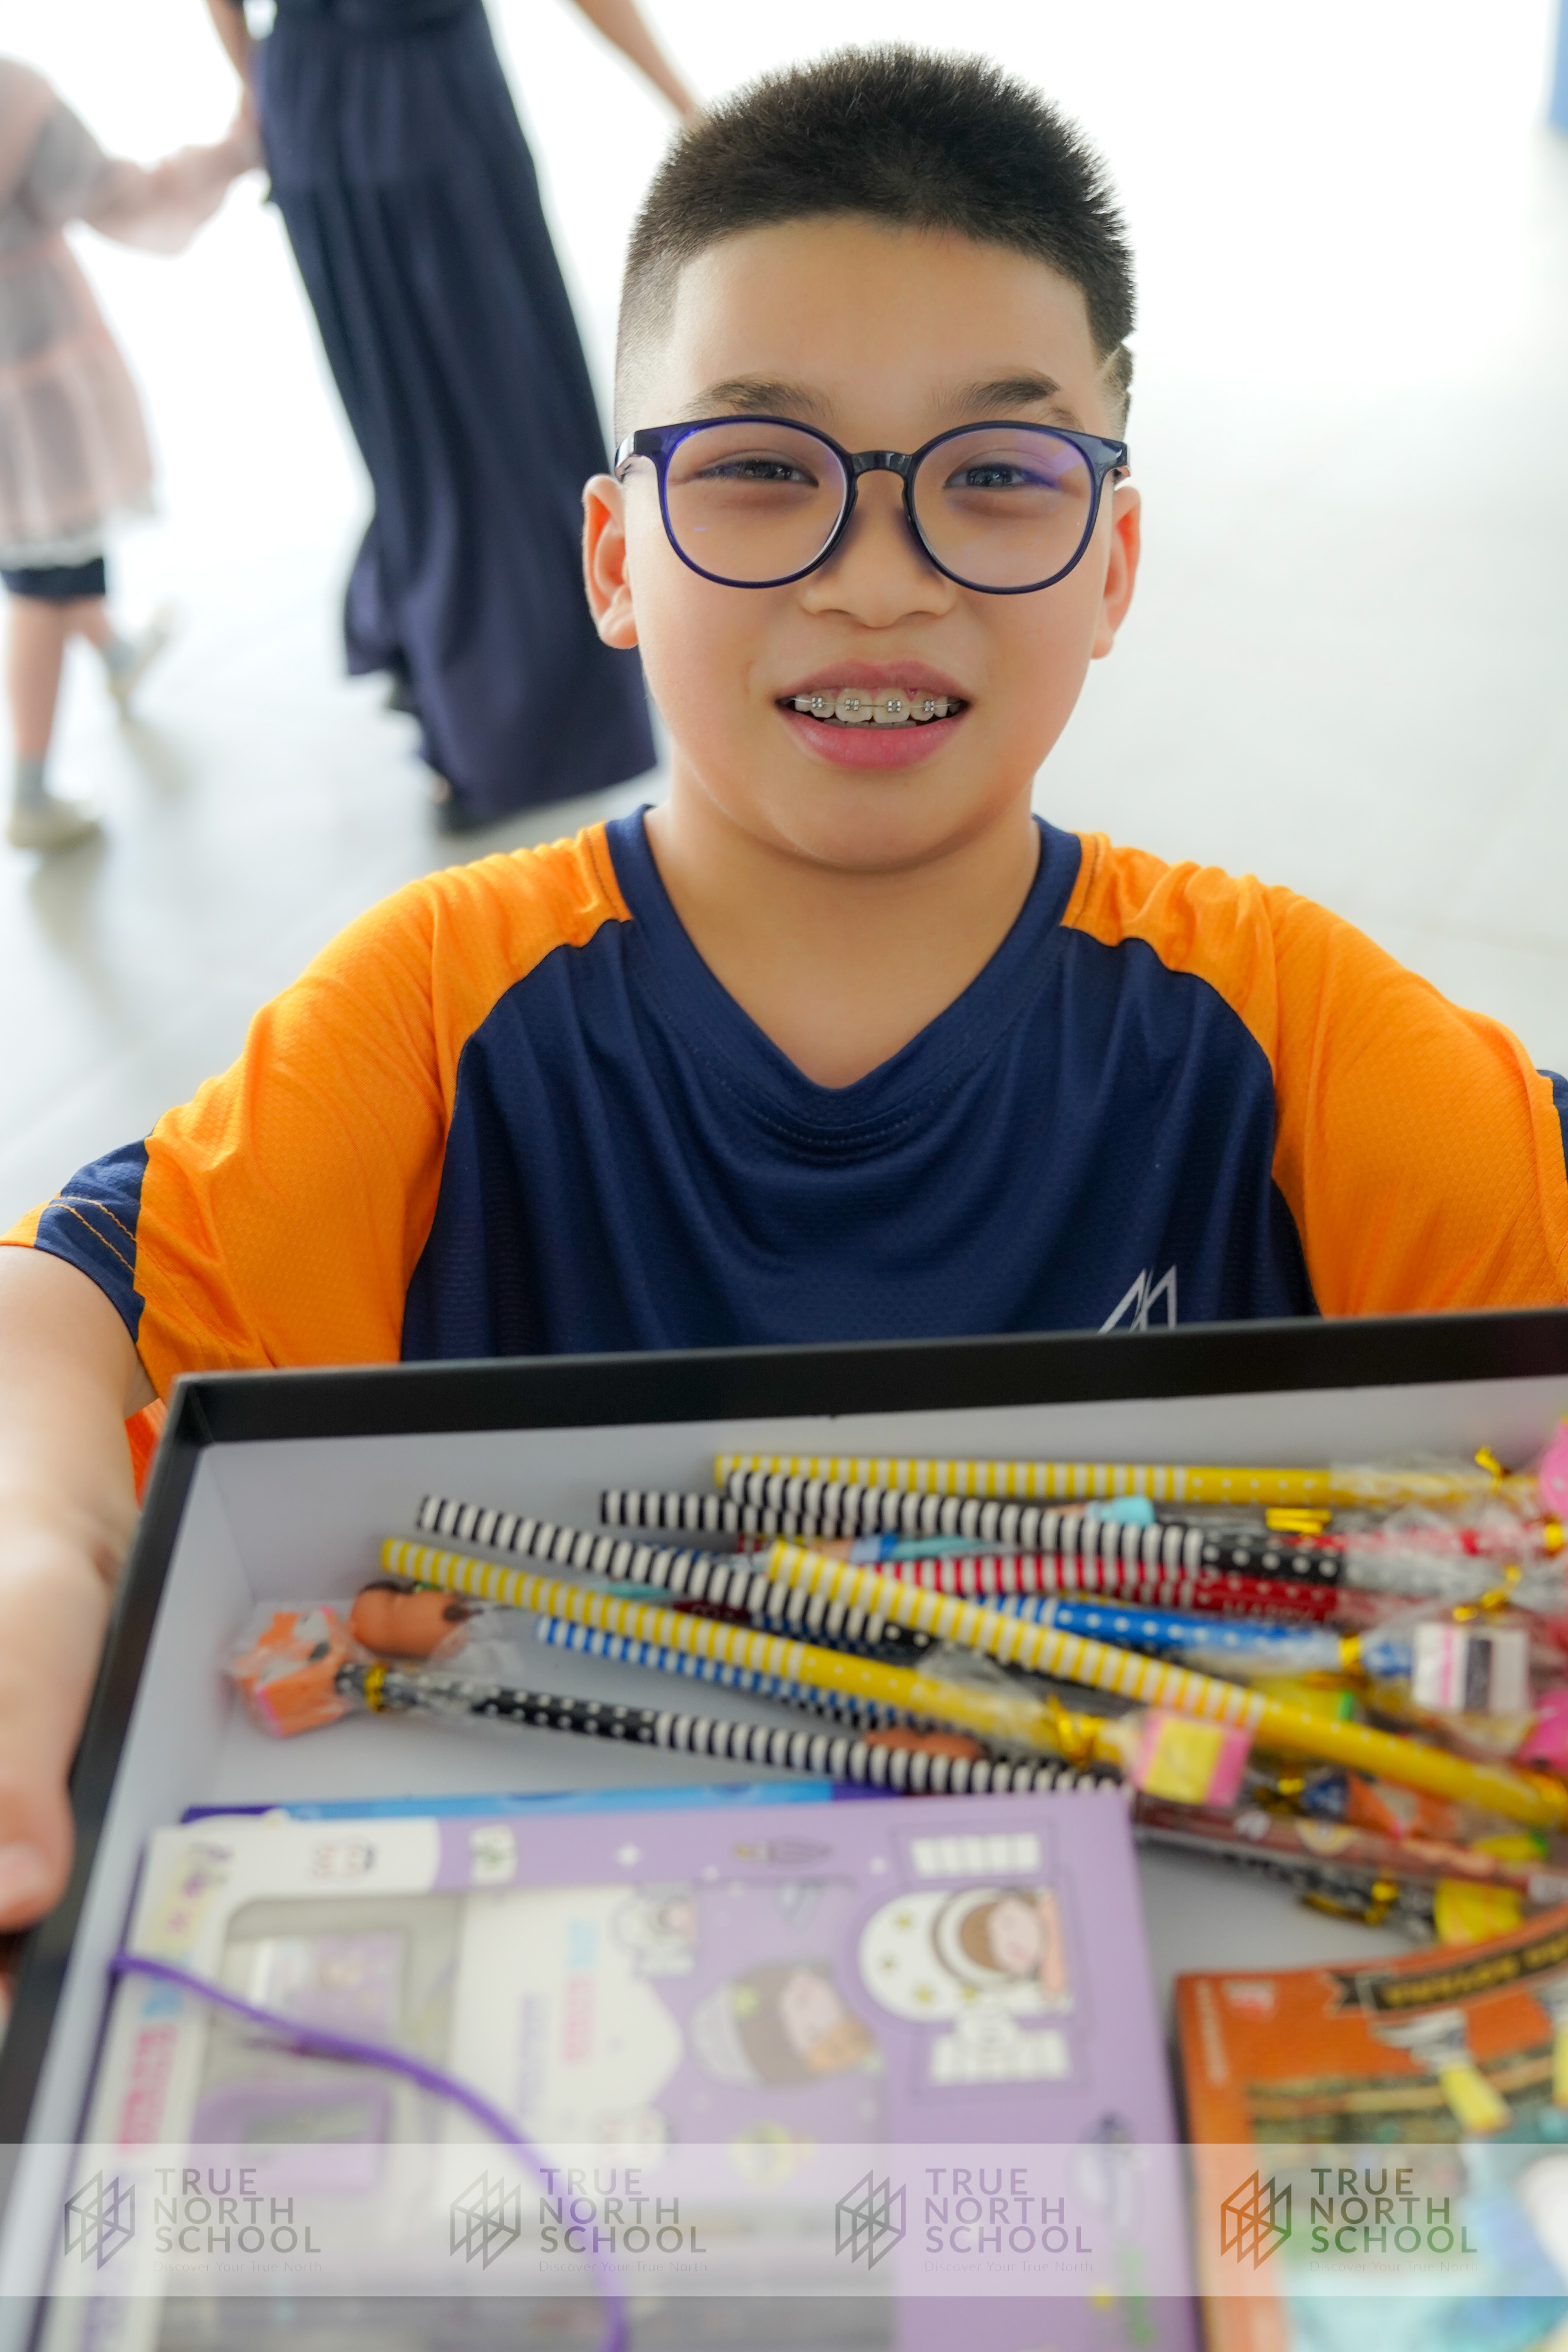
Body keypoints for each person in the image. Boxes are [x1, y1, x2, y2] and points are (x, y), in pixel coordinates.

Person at [1, 45, 1566, 1928]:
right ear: (612, 557)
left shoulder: (1283, 1027)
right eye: (759, 471)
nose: (880, 581)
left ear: (1113, 562)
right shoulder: (433, 1009)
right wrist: (35, 1557)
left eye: (998, 476)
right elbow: (77, 1303)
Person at [204, 0, 688, 832]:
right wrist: (683, 103)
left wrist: (258, 90)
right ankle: (508, 719)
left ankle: (442, 670)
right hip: (430, 110)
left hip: (315, 105)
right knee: (513, 423)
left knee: (411, 436)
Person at [0, 59, 260, 851]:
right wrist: (234, 152)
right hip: (28, 377)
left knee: (49, 556)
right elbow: (120, 198)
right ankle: (31, 792)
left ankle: (117, 653)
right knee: (45, 572)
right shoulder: (12, 98)